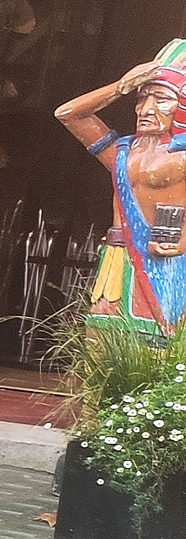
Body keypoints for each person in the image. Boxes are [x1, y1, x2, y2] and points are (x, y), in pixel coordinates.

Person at [57, 53, 186, 335]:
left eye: (161, 99)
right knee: (104, 339)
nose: (146, 109)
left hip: (171, 262)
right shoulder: (122, 153)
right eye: (142, 98)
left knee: (165, 347)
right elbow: (68, 114)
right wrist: (121, 86)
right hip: (119, 260)